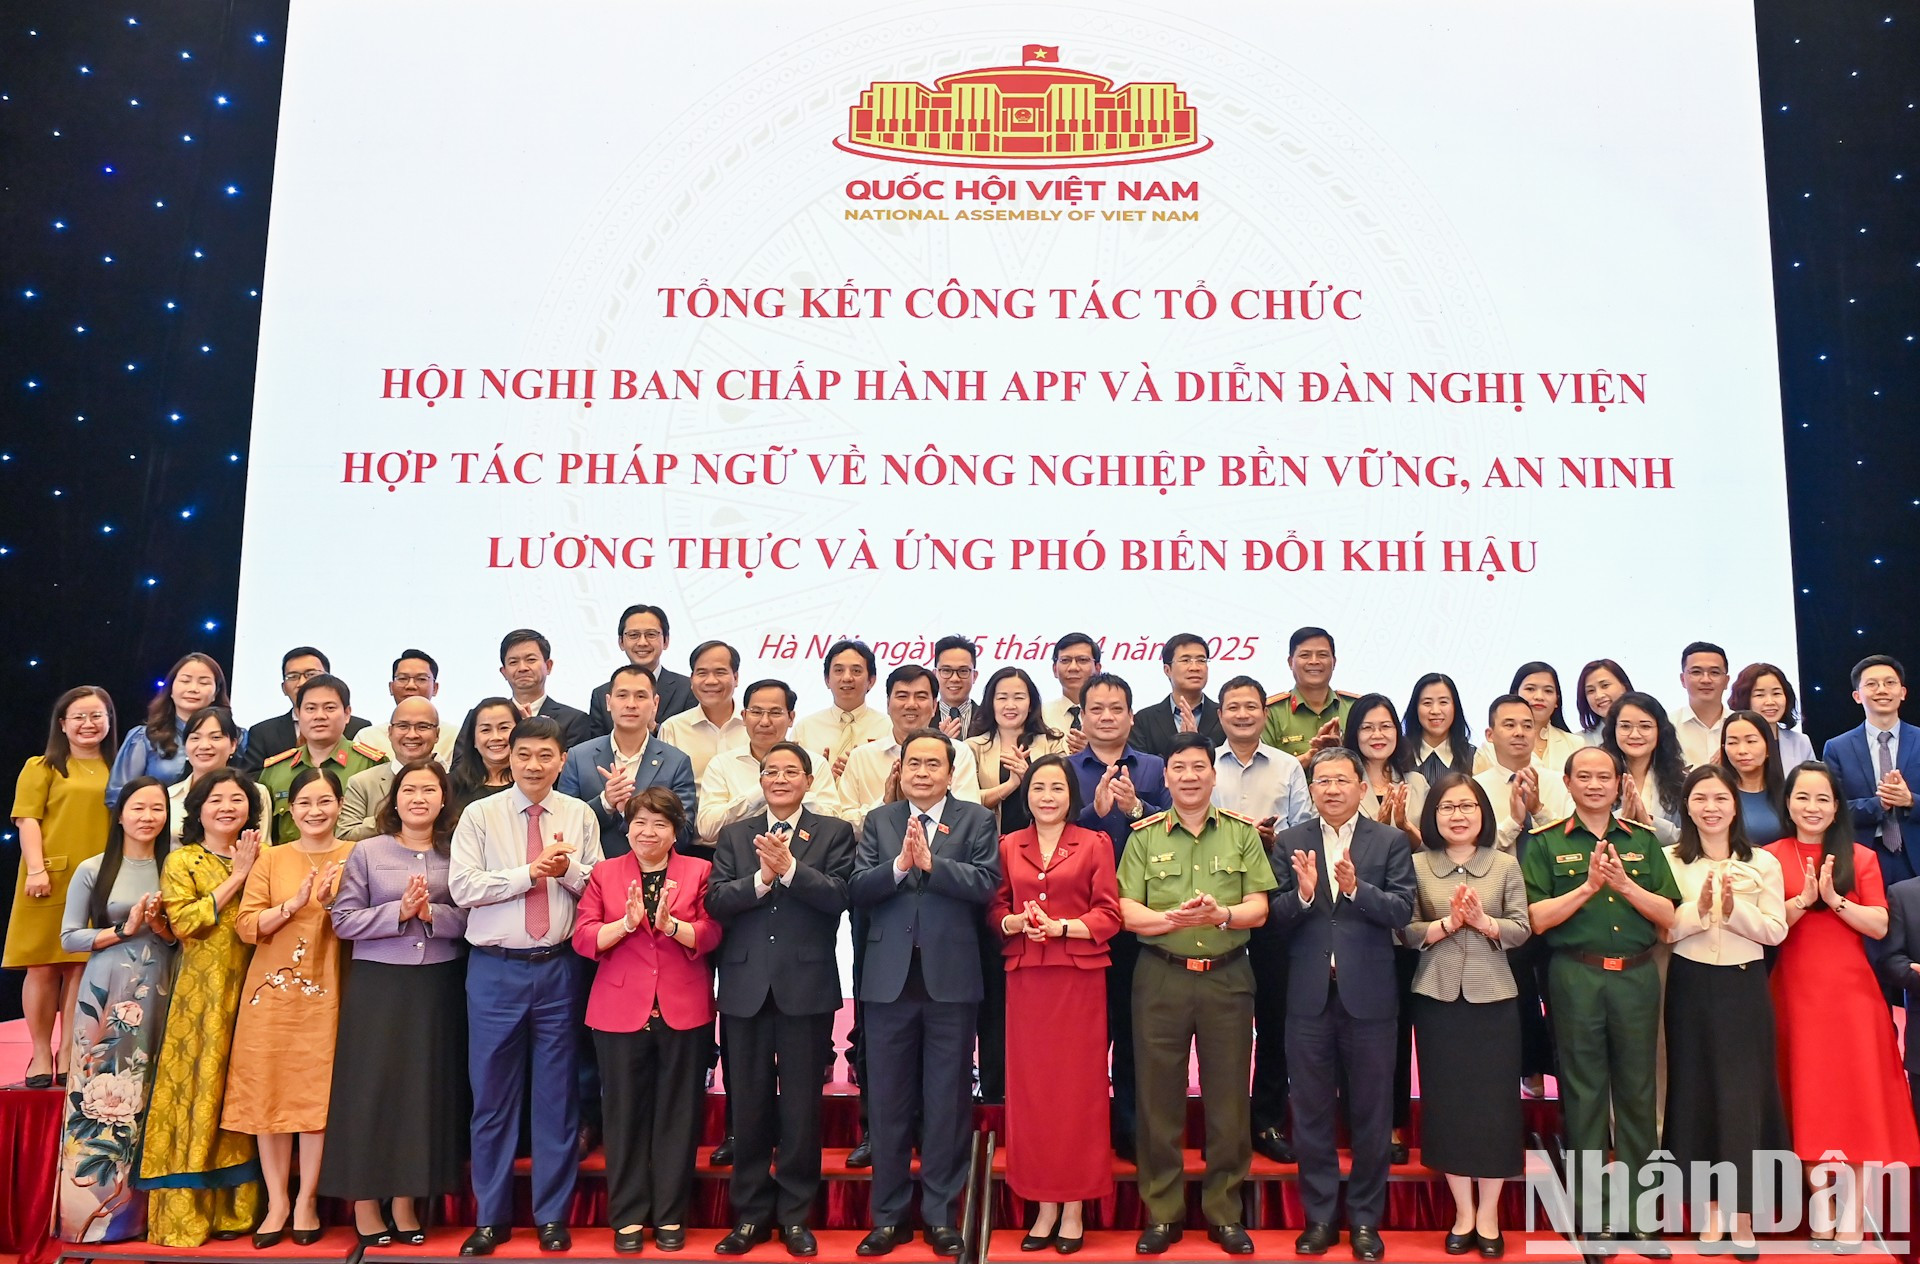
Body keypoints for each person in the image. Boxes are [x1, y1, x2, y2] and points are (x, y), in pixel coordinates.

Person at [449, 715, 605, 1256]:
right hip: (494, 969)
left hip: (559, 967)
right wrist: (531, 873)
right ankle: (490, 1217)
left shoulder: (580, 814)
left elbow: (599, 887)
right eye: (523, 755)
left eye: (545, 755)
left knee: (558, 1098)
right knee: (491, 1097)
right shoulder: (480, 814)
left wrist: (565, 871)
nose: (534, 765)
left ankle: (552, 1217)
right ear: (507, 758)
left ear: (563, 761)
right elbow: (463, 887)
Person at [1119, 734, 1275, 1257]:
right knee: (1157, 1099)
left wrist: (1221, 916)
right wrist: (1172, 920)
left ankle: (1224, 1212)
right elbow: (1125, 910)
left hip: (1227, 978)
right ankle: (1162, 1213)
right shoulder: (1142, 837)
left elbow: (1259, 907)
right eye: (1178, 768)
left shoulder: (1240, 835)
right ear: (1165, 778)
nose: (1189, 776)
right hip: (1159, 975)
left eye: (1198, 767)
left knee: (1228, 1100)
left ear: (1214, 775)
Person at [847, 729, 1000, 1259]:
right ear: (901, 768)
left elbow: (986, 885)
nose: (921, 771)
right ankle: (888, 1218)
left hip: (951, 982)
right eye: (913, 762)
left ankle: (940, 1215)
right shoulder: (880, 821)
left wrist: (935, 866)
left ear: (949, 771)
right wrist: (899, 867)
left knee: (947, 1103)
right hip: (889, 984)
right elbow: (858, 889)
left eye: (933, 763)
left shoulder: (977, 820)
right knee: (887, 1104)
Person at [1522, 745, 1679, 1250]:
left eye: (1604, 777)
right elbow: (1537, 919)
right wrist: (1588, 888)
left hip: (1635, 976)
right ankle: (1593, 1215)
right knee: (1584, 1095)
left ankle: (1640, 1213)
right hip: (1576, 975)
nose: (1594, 785)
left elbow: (1669, 915)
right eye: (1583, 776)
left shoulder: (1643, 842)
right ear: (1566, 784)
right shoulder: (1545, 843)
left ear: (1619, 785)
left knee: (1637, 1093)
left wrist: (1625, 886)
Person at [706, 743, 856, 1258]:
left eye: (791, 771)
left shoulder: (833, 832)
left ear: (809, 780)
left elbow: (839, 897)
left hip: (805, 989)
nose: (779, 778)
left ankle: (795, 1214)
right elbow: (718, 901)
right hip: (745, 989)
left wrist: (790, 870)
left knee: (800, 1108)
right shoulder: (735, 834)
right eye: (771, 771)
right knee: (746, 1107)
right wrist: (761, 879)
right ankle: (749, 1215)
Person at [1765, 762, 1920, 1245]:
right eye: (1803, 798)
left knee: (1857, 1100)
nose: (1812, 808)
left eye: (1823, 799)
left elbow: (1877, 925)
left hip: (1852, 995)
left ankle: (1855, 1211)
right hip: (1794, 990)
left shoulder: (1860, 856)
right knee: (1809, 1098)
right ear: (1787, 804)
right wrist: (1800, 901)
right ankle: (1821, 1211)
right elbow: (1765, 927)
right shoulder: (1768, 857)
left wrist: (1832, 898)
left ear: (1837, 808)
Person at [1271, 748, 1416, 1263]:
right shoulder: (1291, 842)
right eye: (1322, 780)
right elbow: (1272, 917)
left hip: (1370, 999)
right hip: (1308, 999)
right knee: (1310, 1114)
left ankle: (1364, 1221)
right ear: (1310, 789)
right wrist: (1305, 896)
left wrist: (1357, 890)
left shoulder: (1391, 841)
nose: (1331, 789)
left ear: (1362, 787)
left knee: (1372, 1115)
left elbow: (1402, 910)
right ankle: (1319, 1219)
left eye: (1341, 780)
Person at [321, 760, 470, 1246]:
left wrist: (432, 915)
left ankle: (407, 1202)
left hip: (437, 986)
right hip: (378, 985)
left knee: (421, 1092)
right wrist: (398, 912)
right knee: (372, 1090)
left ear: (444, 799)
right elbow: (343, 920)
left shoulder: (457, 852)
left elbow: (471, 919)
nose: (419, 798)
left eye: (430, 789)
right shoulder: (368, 851)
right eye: (410, 789)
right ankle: (366, 1203)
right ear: (395, 798)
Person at [573, 787, 721, 1254]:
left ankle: (671, 1214)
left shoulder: (699, 871)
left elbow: (714, 931)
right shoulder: (604, 872)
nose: (647, 832)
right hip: (618, 1011)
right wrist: (626, 925)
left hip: (684, 1007)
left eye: (659, 823)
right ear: (627, 826)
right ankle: (629, 1216)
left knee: (678, 1115)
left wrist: (671, 925)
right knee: (623, 1116)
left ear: (676, 830)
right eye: (639, 822)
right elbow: (583, 936)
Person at [990, 754, 1121, 1253]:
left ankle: (1074, 1207)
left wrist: (1065, 927)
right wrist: (1014, 923)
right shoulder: (1008, 845)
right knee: (1034, 1095)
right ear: (1027, 795)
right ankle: (1042, 1205)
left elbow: (1109, 913)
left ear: (1073, 795)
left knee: (1078, 1093)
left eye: (1057, 788)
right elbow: (996, 907)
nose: (1047, 796)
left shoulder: (1094, 843)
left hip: (1078, 980)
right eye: (1039, 787)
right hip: (1027, 979)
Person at [222, 767, 355, 1247]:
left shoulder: (355, 855)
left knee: (315, 1096)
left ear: (340, 805)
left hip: (331, 987)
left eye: (324, 802)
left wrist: (332, 901)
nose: (314, 811)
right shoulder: (271, 858)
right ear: (289, 809)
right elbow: (245, 924)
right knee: (268, 1094)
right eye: (304, 803)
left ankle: (307, 1200)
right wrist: (295, 904)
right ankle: (277, 1200)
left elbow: (362, 922)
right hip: (270, 994)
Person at [1401, 772, 1529, 1259]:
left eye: (1467, 807)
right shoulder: (1416, 865)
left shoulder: (1503, 865)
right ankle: (1463, 1212)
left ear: (1483, 814)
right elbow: (1404, 931)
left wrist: (1483, 923)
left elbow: (1521, 928)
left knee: (1495, 1107)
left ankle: (1491, 1213)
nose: (1458, 815)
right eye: (1447, 808)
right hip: (1436, 999)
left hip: (1493, 999)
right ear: (1433, 816)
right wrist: (1446, 925)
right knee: (1448, 1104)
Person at [1661, 765, 1788, 1259]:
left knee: (1743, 1097)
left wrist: (1735, 908)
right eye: (1700, 799)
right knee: (1695, 1093)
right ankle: (1708, 1213)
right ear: (1687, 807)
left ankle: (1742, 1216)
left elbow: (1776, 930)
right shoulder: (1671, 860)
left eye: (1720, 798)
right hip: (1690, 984)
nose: (1710, 807)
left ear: (1735, 805)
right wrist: (1702, 908)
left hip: (1744, 986)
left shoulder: (1763, 861)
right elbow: (1665, 929)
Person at [137, 768, 265, 1246]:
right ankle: (187, 1211)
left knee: (241, 1094)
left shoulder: (266, 857)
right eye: (216, 800)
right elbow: (187, 921)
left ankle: (240, 1210)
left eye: (237, 799)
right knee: (199, 1089)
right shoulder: (183, 860)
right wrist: (237, 878)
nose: (227, 807)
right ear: (197, 809)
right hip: (203, 994)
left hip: (254, 989)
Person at [54, 776, 178, 1244]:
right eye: (139, 808)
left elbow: (179, 936)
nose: (148, 817)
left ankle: (141, 1218)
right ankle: (87, 1221)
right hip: (106, 989)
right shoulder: (93, 867)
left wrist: (162, 929)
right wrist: (123, 930)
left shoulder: (175, 865)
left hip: (162, 984)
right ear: (121, 813)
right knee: (97, 1093)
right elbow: (69, 937)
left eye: (157, 809)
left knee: (149, 1091)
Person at [1066, 671, 1169, 1159]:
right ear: (1082, 717)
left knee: (1134, 1033)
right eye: (1096, 710)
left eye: (1116, 709)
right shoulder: (1064, 770)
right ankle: (1082, 1133)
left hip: (1139, 921)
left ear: (1131, 716)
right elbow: (1050, 835)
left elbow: (1177, 828)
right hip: (1079, 923)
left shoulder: (1156, 768)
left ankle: (1130, 1133)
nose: (1106, 718)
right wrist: (1093, 813)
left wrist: (1136, 809)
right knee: (1084, 1039)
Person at [1213, 674, 1310, 1164]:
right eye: (1234, 707)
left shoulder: (1289, 766)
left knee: (1275, 1018)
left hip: (1273, 902)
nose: (1244, 714)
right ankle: (1224, 1126)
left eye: (1252, 706)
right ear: (1221, 714)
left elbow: (1304, 829)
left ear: (1264, 714)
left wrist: (1275, 839)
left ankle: (1268, 1121)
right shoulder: (1203, 765)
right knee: (1222, 1023)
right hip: (1215, 906)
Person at [8, 685, 115, 1089]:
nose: (88, 724)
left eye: (97, 716)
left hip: (97, 879)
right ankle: (39, 1051)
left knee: (79, 966)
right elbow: (27, 820)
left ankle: (68, 1051)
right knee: (42, 964)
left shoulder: (117, 767)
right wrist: (36, 868)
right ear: (63, 724)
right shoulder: (43, 766)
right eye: (79, 717)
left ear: (109, 721)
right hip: (48, 877)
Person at [1342, 692, 1425, 1162]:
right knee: (1350, 1031)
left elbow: (1434, 846)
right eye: (1369, 727)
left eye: (1386, 726)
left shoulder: (1415, 782)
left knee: (1393, 1031)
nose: (1378, 735)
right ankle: (1356, 1120)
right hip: (1351, 927)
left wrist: (1402, 833)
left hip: (1400, 924)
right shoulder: (1340, 780)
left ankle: (1392, 1123)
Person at [1474, 694, 1569, 1097]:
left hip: (1557, 908)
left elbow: (1569, 843)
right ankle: (1526, 1076)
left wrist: (1541, 812)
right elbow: (1476, 854)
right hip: (1502, 910)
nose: (1519, 732)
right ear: (1490, 734)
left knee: (1563, 1001)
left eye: (1527, 725)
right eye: (1509, 725)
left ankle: (1569, 1088)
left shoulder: (1558, 781)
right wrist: (1514, 822)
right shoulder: (1476, 788)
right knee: (1515, 1001)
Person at [558, 664, 698, 856]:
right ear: (608, 702)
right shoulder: (578, 757)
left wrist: (631, 813)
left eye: (641, 696)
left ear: (655, 703)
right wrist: (605, 803)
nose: (631, 704)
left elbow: (684, 833)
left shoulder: (676, 762)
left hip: (654, 874)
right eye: (622, 695)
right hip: (594, 873)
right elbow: (564, 826)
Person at [828, 664, 983, 831]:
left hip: (941, 853)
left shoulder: (959, 752)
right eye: (902, 696)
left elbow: (968, 819)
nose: (911, 704)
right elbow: (842, 825)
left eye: (921, 697)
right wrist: (884, 804)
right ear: (888, 704)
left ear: (934, 707)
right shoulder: (861, 757)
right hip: (877, 855)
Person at [1822, 655, 1919, 886]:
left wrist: (1910, 800)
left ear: (1903, 692)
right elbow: (1833, 808)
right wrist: (1880, 804)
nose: (1882, 690)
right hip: (1865, 853)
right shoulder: (1837, 747)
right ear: (1857, 696)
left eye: (1890, 683)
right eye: (1872, 684)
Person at [255, 674, 386, 842]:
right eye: (310, 708)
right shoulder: (276, 770)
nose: (319, 716)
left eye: (330, 708)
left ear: (347, 714)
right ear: (298, 713)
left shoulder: (371, 765)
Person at [698, 680, 819, 841]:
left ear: (791, 718)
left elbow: (834, 822)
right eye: (756, 712)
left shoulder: (815, 763)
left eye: (775, 713)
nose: (765, 722)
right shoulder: (722, 765)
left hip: (805, 857)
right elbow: (708, 829)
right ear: (744, 716)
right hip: (738, 859)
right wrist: (763, 789)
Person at [107, 652, 229, 805]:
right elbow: (117, 795)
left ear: (216, 693)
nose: (193, 688)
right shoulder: (144, 737)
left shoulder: (236, 737)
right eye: (185, 681)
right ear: (170, 689)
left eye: (203, 683)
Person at [966, 666, 1069, 835]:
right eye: (1002, 698)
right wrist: (1011, 784)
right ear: (991, 703)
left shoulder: (1052, 743)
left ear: (1030, 704)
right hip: (988, 843)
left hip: (1044, 842)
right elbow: (967, 801)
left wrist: (1028, 777)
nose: (1010, 705)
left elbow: (1065, 793)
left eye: (1019, 698)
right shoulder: (972, 747)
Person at [236, 646, 372, 774]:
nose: (302, 683)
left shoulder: (360, 728)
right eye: (293, 676)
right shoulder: (263, 732)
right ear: (283, 687)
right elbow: (251, 779)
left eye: (311, 674)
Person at [339, 696, 444, 841]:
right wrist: (391, 816)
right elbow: (345, 836)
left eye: (422, 727)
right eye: (403, 726)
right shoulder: (362, 783)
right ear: (390, 732)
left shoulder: (452, 780)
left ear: (437, 734)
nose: (412, 734)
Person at [470, 628, 595, 748]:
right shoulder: (478, 717)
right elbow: (462, 764)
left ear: (548, 666)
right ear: (504, 672)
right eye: (513, 662)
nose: (522, 668)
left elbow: (570, 767)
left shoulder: (574, 720)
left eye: (531, 660)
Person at [791, 639, 891, 789]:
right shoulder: (805, 728)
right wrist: (822, 778)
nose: (847, 678)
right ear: (827, 680)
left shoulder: (888, 728)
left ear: (871, 681)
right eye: (838, 670)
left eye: (856, 671)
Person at [166, 707, 269, 843]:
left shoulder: (256, 793)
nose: (204, 745)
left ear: (233, 744)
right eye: (195, 738)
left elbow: (264, 848)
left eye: (215, 737)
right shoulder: (169, 796)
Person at [590, 604, 697, 734]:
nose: (642, 643)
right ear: (621, 642)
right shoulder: (601, 695)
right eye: (633, 635)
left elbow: (691, 741)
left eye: (651, 634)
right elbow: (595, 749)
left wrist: (654, 728)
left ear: (666, 641)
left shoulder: (688, 689)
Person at [1601, 693, 1686, 845]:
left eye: (1645, 726)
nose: (1634, 735)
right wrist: (1621, 818)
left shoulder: (1680, 781)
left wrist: (1649, 822)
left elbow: (1687, 839)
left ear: (1660, 730)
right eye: (1625, 726)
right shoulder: (1599, 777)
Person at [1261, 626, 1356, 762]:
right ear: (1290, 662)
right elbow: (1264, 769)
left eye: (1322, 655)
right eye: (1305, 655)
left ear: (1334, 662)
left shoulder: (1354, 708)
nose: (1314, 661)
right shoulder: (1270, 713)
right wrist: (1310, 757)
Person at [352, 649, 458, 767]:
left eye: (421, 679)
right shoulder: (367, 738)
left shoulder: (454, 737)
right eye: (402, 679)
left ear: (435, 688)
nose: (411, 686)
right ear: (391, 687)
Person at [659, 640, 746, 779]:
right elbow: (665, 788)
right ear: (692, 679)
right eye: (702, 673)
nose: (711, 681)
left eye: (720, 672)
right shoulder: (673, 729)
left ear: (735, 678)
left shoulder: (756, 726)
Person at [1476, 662, 1582, 775]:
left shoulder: (1576, 744)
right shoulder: (1489, 748)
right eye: (1530, 689)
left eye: (1548, 691)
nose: (1539, 697)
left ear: (1557, 700)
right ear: (1515, 694)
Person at [1130, 632, 1225, 758]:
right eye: (1186, 660)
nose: (1195, 667)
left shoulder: (1224, 716)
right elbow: (1142, 768)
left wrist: (1197, 743)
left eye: (1201, 660)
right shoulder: (1144, 720)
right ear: (1167, 670)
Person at [1719, 711, 1788, 844]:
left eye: (1751, 741)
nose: (1742, 750)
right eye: (1732, 743)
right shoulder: (1717, 794)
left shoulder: (1787, 793)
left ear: (1768, 747)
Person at [1729, 661, 1815, 768]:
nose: (1770, 702)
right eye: (1760, 695)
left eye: (1776, 693)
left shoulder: (1800, 742)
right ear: (1745, 699)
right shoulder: (1731, 745)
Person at [1405, 672, 1476, 784]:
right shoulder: (1400, 756)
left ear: (1455, 707)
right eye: (1427, 703)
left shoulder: (1473, 757)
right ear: (1415, 709)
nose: (1435, 711)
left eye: (1443, 702)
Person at [449, 696, 519, 811]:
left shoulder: (531, 782)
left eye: (504, 728)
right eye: (486, 730)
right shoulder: (452, 785)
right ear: (474, 739)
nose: (496, 737)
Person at [1674, 642, 1731, 771]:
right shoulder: (1667, 725)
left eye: (1715, 673)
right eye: (1696, 672)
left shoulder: (1743, 725)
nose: (1706, 680)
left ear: (1727, 681)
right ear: (1683, 679)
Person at [1041, 633, 1101, 749]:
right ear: (1054, 669)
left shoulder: (1111, 716)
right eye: (1065, 660)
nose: (1073, 668)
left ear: (1097, 668)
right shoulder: (1040, 715)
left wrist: (1093, 753)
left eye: (1082, 660)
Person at [1575, 660, 1634, 746]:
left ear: (1624, 686)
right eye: (1591, 691)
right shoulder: (1578, 743)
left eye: (1605, 685)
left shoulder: (1651, 733)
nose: (1599, 696)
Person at [933, 635, 980, 737]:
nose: (954, 679)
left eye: (963, 671)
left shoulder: (990, 718)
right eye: (946, 670)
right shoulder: (923, 719)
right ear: (935, 674)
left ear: (975, 676)